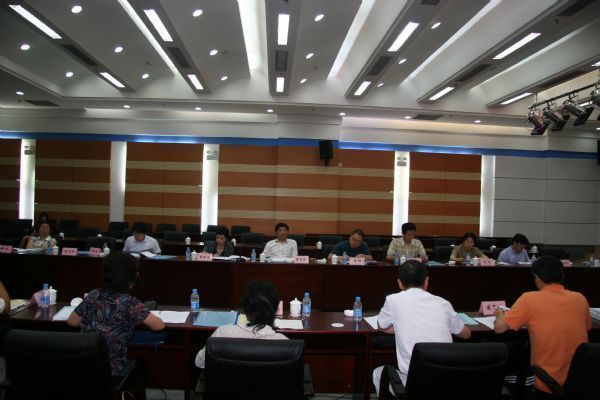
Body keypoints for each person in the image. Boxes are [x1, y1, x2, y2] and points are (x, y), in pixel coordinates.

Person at [494, 256, 591, 399]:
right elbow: (586, 327)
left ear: (537, 278)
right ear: (562, 276)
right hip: (581, 379)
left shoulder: (529, 299)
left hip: (547, 382)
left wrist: (499, 315)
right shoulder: (580, 298)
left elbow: (499, 328)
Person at [372, 260, 470, 396]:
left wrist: (398, 327)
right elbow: (466, 334)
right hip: (447, 380)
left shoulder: (393, 300)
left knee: (378, 373)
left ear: (399, 283)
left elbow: (381, 326)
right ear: (426, 281)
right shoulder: (443, 303)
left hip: (414, 383)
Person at [67, 252, 164, 377]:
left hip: (85, 367)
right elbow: (159, 326)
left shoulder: (93, 295)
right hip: (113, 370)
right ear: (131, 280)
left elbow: (72, 321)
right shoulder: (130, 303)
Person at [195, 280, 287, 369]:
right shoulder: (284, 342)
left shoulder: (223, 332)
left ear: (245, 307)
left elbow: (199, 362)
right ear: (275, 309)